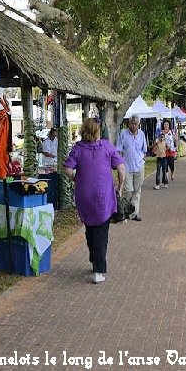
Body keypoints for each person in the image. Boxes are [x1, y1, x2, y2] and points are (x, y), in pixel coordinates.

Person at [64, 118, 126, 284]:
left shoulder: (78, 148)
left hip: (84, 196)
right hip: (103, 196)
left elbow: (67, 169)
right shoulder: (106, 146)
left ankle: (93, 259)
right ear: (98, 131)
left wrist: (76, 178)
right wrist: (120, 187)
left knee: (90, 228)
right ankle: (99, 270)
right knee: (101, 232)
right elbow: (121, 168)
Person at [116, 115, 147, 221]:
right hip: (127, 167)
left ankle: (135, 213)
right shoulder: (123, 134)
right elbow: (119, 150)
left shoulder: (142, 134)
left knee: (137, 191)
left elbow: (144, 150)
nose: (134, 126)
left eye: (136, 124)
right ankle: (125, 211)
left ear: (139, 124)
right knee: (128, 191)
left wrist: (142, 161)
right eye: (132, 124)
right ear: (128, 124)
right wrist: (120, 165)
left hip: (139, 167)